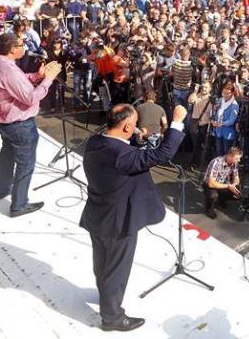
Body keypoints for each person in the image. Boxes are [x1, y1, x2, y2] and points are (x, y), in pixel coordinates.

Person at [80, 103, 186, 332]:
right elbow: (163, 154)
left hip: (97, 215)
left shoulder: (95, 142)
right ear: (127, 126)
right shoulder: (123, 157)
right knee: (117, 268)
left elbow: (121, 149)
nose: (137, 127)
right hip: (119, 222)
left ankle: (105, 296)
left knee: (102, 261)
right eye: (135, 124)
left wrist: (137, 138)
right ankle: (112, 317)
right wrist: (176, 122)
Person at [0, 32, 62, 217]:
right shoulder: (8, 69)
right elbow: (30, 97)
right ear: (12, 49)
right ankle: (19, 204)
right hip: (19, 124)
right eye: (21, 45)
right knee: (25, 164)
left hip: (4, 122)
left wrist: (37, 76)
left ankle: (1, 190)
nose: (25, 47)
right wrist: (49, 78)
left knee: (7, 155)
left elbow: (14, 84)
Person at [202, 146, 242, 219]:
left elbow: (236, 177)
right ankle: (208, 208)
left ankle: (221, 200)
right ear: (230, 156)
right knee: (213, 196)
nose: (239, 160)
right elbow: (211, 183)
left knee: (237, 192)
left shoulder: (235, 163)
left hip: (223, 183)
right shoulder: (216, 162)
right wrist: (228, 186)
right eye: (237, 158)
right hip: (210, 185)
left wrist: (234, 185)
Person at [210, 82, 239, 156]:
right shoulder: (220, 100)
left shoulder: (234, 104)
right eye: (223, 93)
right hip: (218, 131)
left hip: (228, 133)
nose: (225, 95)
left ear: (232, 93)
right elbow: (214, 112)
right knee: (219, 150)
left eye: (227, 93)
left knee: (227, 152)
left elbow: (232, 120)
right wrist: (213, 121)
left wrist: (221, 123)